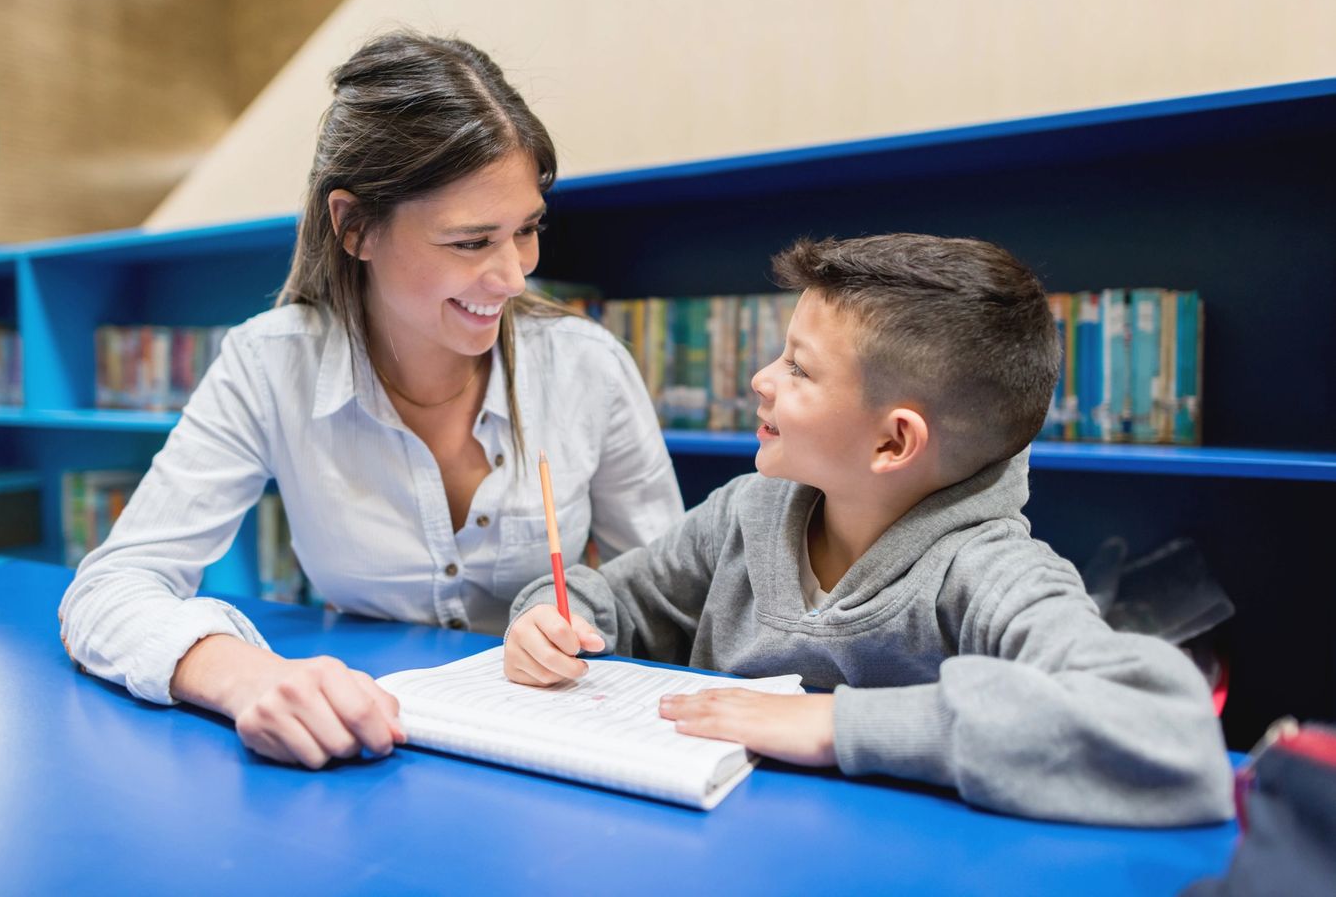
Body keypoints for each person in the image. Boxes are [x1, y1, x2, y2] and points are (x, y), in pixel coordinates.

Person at [59, 32, 684, 770]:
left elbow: (672, 591)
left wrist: (583, 619)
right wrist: (246, 677)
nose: (514, 277)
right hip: (365, 746)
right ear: (354, 227)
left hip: (559, 752)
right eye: (469, 241)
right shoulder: (270, 362)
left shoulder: (586, 368)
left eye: (526, 230)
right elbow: (111, 587)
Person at [505, 233, 1234, 825]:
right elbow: (617, 603)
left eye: (798, 368)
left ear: (892, 443)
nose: (761, 379)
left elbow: (1167, 726)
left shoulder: (991, 571)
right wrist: (549, 612)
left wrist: (833, 726)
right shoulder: (743, 510)